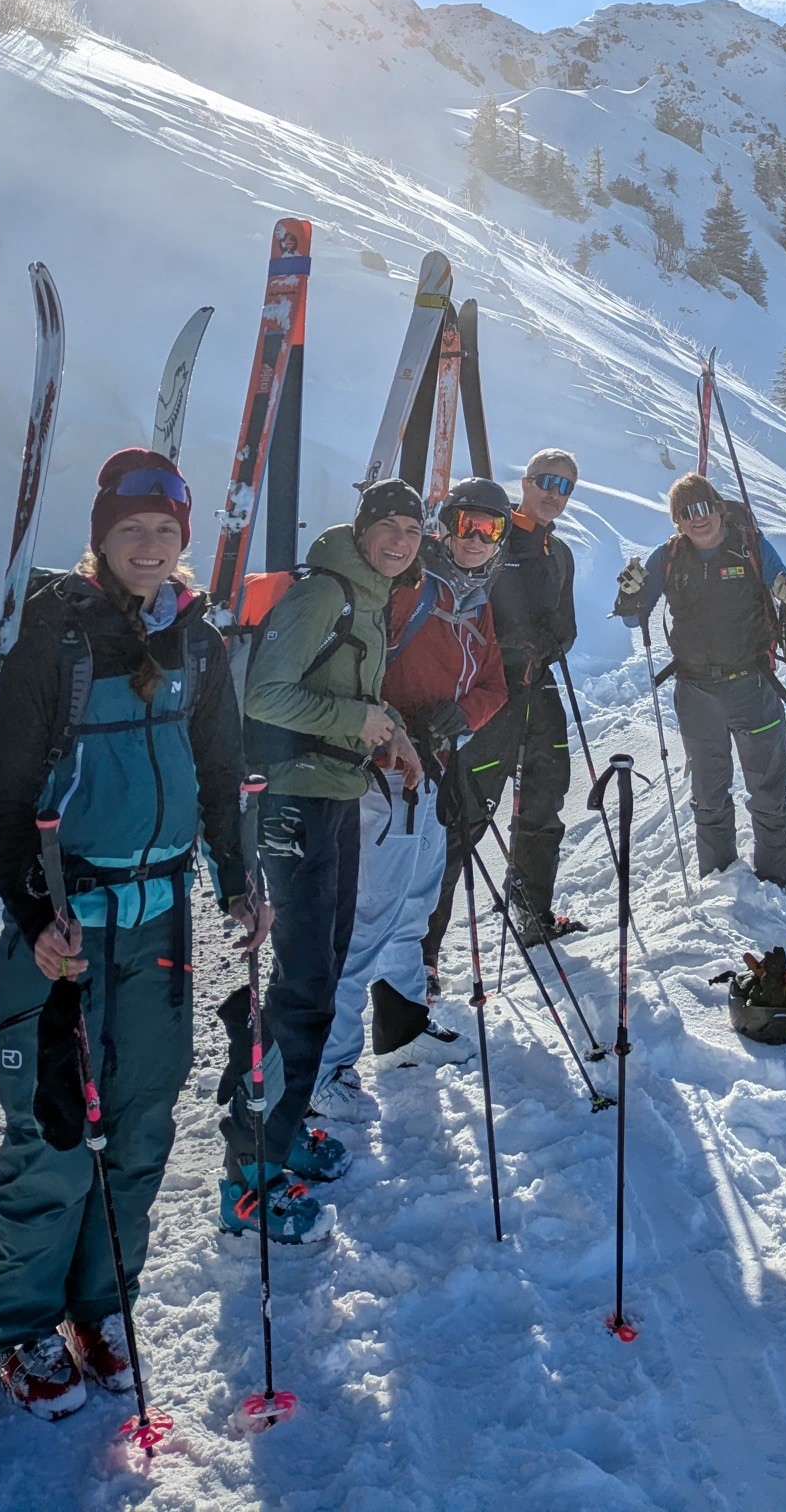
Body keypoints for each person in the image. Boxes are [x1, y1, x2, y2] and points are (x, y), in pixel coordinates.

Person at [0, 448, 260, 1421]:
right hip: (65, 928)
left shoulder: (198, 642)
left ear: (184, 542)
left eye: (165, 531)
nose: (148, 545)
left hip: (160, 928)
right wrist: (32, 917)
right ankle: (21, 1326)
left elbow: (219, 774)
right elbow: (5, 803)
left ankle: (100, 1305)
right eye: (131, 529)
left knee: (139, 1125)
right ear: (101, 536)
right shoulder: (54, 638)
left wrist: (239, 883)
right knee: (56, 1132)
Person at [228, 481, 423, 1169]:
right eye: (388, 525)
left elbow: (348, 695)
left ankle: (273, 1129)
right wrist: (357, 721)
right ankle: (255, 1157)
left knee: (321, 970)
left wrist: (390, 729)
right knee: (305, 983)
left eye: (412, 530)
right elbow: (266, 696)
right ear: (362, 528)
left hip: (333, 794)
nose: (400, 541)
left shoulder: (369, 596)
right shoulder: (324, 594)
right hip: (295, 799)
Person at [317, 478, 509, 1102]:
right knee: (367, 917)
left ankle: (402, 1032)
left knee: (414, 911)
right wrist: (398, 723)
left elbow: (494, 686)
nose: (476, 538)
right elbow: (361, 668)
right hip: (384, 773)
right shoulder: (407, 587)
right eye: (466, 523)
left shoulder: (476, 603)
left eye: (491, 529)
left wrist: (461, 717)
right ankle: (325, 1066)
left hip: (432, 772)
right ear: (443, 527)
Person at [615, 473, 786, 889]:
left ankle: (776, 881)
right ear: (677, 521)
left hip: (753, 686)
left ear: (718, 508)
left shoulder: (752, 547)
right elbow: (635, 618)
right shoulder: (668, 557)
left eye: (704, 506)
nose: (698, 517)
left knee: (769, 795)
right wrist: (628, 596)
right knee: (708, 797)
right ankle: (719, 881)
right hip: (696, 693)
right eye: (686, 512)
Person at [428, 449, 581, 968]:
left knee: (544, 800)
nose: (554, 493)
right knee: (466, 817)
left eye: (565, 486)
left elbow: (567, 626)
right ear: (526, 482)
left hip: (538, 688)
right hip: (490, 694)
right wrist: (515, 640)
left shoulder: (560, 554)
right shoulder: (491, 536)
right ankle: (424, 949)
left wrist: (555, 639)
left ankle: (532, 912)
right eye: (546, 481)